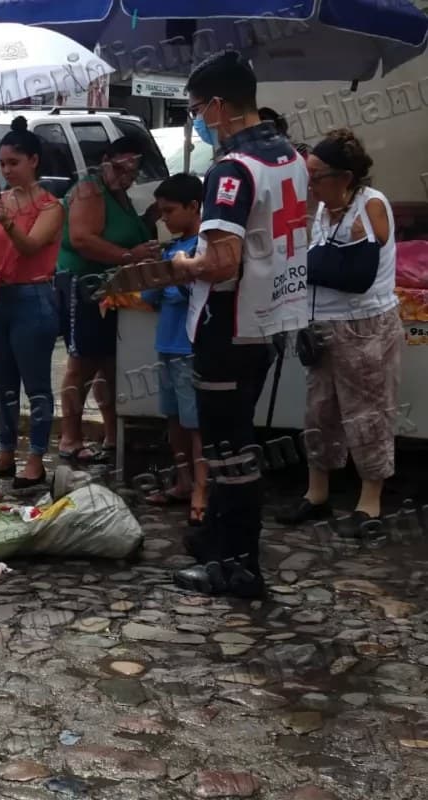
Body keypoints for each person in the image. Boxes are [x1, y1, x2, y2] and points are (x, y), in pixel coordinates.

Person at [172, 50, 310, 598]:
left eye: (197, 109)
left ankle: (237, 565)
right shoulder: (290, 156)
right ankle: (223, 543)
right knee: (238, 439)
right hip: (272, 319)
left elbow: (221, 260)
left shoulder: (232, 169)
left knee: (228, 449)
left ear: (221, 105)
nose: (198, 120)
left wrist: (182, 263)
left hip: (229, 324)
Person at [276, 129, 402, 537]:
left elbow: (357, 277)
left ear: (344, 177)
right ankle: (317, 493)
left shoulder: (371, 207)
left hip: (364, 326)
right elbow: (323, 266)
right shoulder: (325, 212)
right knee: (320, 412)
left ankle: (371, 500)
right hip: (323, 324)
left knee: (366, 414)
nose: (309, 186)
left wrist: (307, 267)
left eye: (316, 177)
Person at [0, 117, 63, 488]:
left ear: (33, 161)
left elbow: (31, 247)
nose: (6, 170)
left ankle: (36, 455)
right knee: (2, 384)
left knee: (36, 384)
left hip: (31, 298)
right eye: (2, 164)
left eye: (14, 163)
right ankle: (6, 450)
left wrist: (8, 225)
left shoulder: (50, 206)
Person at [59, 137, 160, 465]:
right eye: (120, 167)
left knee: (108, 363)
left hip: (112, 288)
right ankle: (70, 438)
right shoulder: (90, 190)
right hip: (86, 285)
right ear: (105, 160)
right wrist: (130, 256)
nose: (126, 175)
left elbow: (125, 233)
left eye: (133, 170)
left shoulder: (118, 194)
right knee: (82, 364)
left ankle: (112, 435)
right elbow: (82, 239)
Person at [140, 173, 209, 526]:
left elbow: (194, 294)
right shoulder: (172, 249)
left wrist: (173, 276)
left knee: (195, 422)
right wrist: (154, 272)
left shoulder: (203, 248)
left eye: (170, 211)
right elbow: (150, 298)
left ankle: (201, 489)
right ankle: (183, 482)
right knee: (174, 419)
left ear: (194, 207)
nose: (164, 218)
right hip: (166, 343)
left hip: (189, 345)